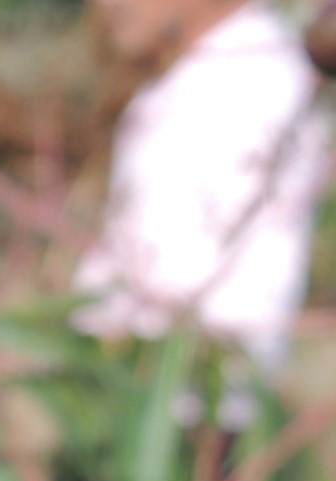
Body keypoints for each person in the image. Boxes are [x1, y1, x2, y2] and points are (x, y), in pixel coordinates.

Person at [72, 0, 330, 428]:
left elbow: (171, 285)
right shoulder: (194, 74)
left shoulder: (252, 83)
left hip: (187, 413)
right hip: (158, 397)